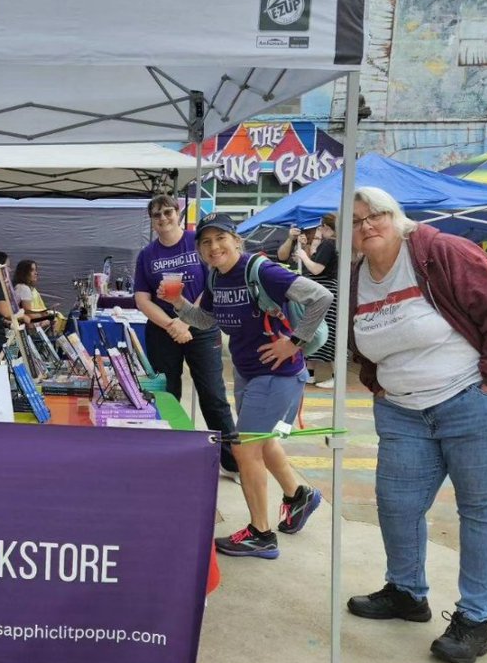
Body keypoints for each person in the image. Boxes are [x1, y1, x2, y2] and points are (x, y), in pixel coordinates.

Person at [344, 186, 487, 663]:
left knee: (482, 511)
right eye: (355, 221)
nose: (367, 225)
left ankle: (473, 620)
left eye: (376, 214)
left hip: (474, 402)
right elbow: (360, 336)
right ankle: (406, 593)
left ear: (398, 217)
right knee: (396, 504)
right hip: (401, 409)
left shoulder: (441, 252)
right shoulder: (357, 274)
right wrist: (377, 380)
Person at [172, 212, 331, 559]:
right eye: (206, 242)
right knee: (265, 444)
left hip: (277, 374)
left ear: (236, 241)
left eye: (221, 239)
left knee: (245, 450)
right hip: (249, 373)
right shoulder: (216, 278)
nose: (214, 247)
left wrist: (295, 341)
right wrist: (178, 303)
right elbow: (206, 320)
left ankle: (261, 534)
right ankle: (299, 495)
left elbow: (321, 297)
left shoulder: (260, 270)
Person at [132, 194, 239, 481]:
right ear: (151, 221)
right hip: (163, 330)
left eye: (167, 212)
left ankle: (231, 461)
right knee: (166, 395)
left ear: (177, 213)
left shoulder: (199, 242)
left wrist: (186, 322)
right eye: (156, 215)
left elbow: (214, 282)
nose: (163, 218)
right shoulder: (147, 255)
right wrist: (171, 324)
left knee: (213, 396)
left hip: (201, 328)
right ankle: (169, 456)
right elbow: (142, 299)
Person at [278, 214, 340, 388]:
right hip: (325, 290)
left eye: (320, 228)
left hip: (323, 292)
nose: (318, 232)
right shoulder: (333, 244)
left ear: (327, 227)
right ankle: (312, 373)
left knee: (323, 333)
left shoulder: (329, 243)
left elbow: (317, 269)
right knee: (318, 331)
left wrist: (304, 257)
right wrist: (307, 248)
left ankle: (335, 376)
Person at [12, 260, 64, 334]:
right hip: (25, 326)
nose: (36, 273)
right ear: (24, 273)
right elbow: (29, 314)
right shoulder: (24, 288)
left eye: (36, 270)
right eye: (32, 270)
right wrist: (44, 314)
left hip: (21, 322)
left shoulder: (19, 286)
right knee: (55, 319)